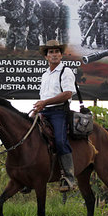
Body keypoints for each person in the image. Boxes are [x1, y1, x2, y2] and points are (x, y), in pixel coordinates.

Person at [34, 40, 77, 192]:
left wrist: (45, 102)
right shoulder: (45, 75)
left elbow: (67, 94)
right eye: (51, 52)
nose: (54, 54)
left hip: (58, 112)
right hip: (43, 111)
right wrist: (38, 108)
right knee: (28, 135)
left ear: (61, 55)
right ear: (46, 56)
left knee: (59, 140)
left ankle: (69, 178)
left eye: (57, 51)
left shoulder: (66, 71)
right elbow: (43, 96)